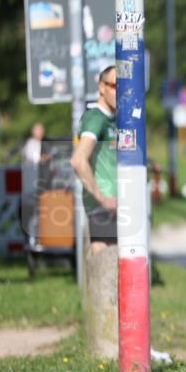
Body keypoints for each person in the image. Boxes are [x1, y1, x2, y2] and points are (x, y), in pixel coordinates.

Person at [70, 66, 117, 251]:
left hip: (118, 206)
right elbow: (78, 160)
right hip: (103, 209)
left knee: (119, 273)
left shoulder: (114, 119)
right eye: (114, 86)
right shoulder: (96, 118)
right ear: (102, 87)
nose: (119, 92)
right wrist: (102, 198)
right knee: (104, 270)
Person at [21, 122, 48, 230]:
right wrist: (48, 157)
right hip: (31, 185)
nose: (41, 132)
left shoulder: (40, 143)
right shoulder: (31, 144)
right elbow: (36, 159)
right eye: (39, 130)